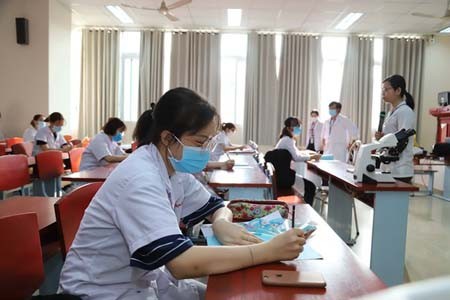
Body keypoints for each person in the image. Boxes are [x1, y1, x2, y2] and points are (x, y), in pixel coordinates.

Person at [59, 87, 307, 300]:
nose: (206, 151)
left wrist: (221, 223)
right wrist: (266, 251)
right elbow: (181, 264)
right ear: (168, 138)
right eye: (200, 143)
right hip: (101, 292)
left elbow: (216, 207)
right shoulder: (139, 178)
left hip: (143, 283)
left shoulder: (173, 170)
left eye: (209, 142)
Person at [375, 75, 416, 183]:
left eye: (386, 89)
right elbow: (393, 135)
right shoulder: (391, 112)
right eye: (382, 90)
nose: (383, 93)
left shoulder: (405, 111)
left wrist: (385, 141)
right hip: (389, 166)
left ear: (398, 90)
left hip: (400, 169)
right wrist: (383, 137)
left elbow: (403, 138)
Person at [274, 117, 321, 205]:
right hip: (284, 177)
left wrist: (308, 155)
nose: (298, 128)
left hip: (281, 175)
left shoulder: (286, 139)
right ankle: (306, 211)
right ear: (288, 128)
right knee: (311, 187)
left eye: (299, 126)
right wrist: (312, 157)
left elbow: (296, 153)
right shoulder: (288, 140)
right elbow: (296, 157)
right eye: (296, 126)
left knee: (308, 186)